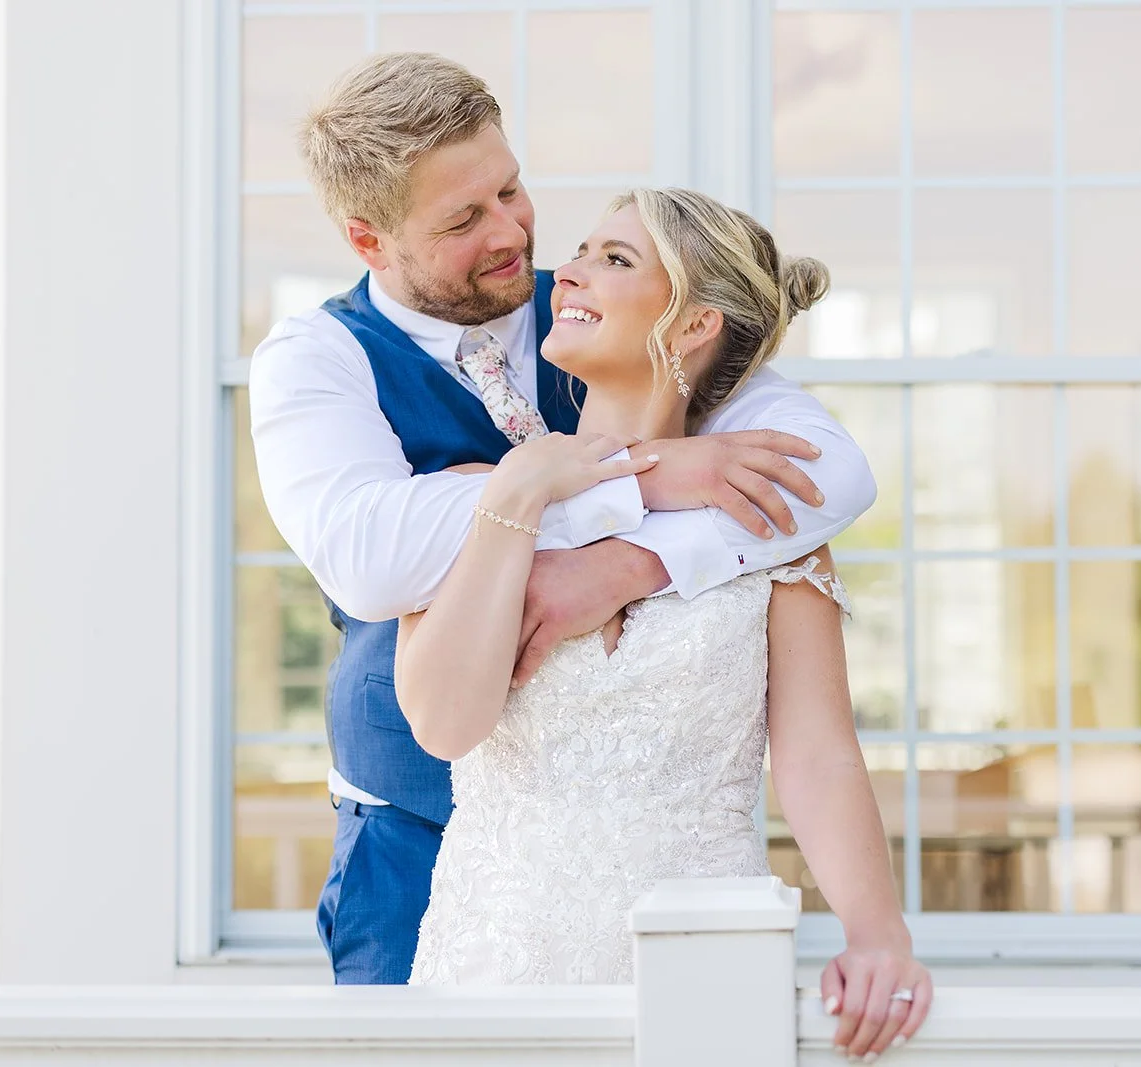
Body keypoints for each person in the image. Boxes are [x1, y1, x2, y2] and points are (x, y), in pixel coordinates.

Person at [248, 52, 876, 986]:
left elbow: (832, 474)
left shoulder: (607, 308)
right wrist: (637, 481)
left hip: (676, 891)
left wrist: (627, 566)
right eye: (464, 219)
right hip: (418, 847)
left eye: (510, 189)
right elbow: (372, 562)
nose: (513, 235)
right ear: (369, 240)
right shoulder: (316, 358)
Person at [396, 188, 931, 1061]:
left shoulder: (771, 525)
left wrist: (877, 933)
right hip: (494, 968)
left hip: (708, 975)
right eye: (580, 251)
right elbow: (444, 723)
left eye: (616, 259)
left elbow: (818, 755)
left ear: (692, 326)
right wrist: (522, 487)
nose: (565, 270)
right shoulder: (475, 496)